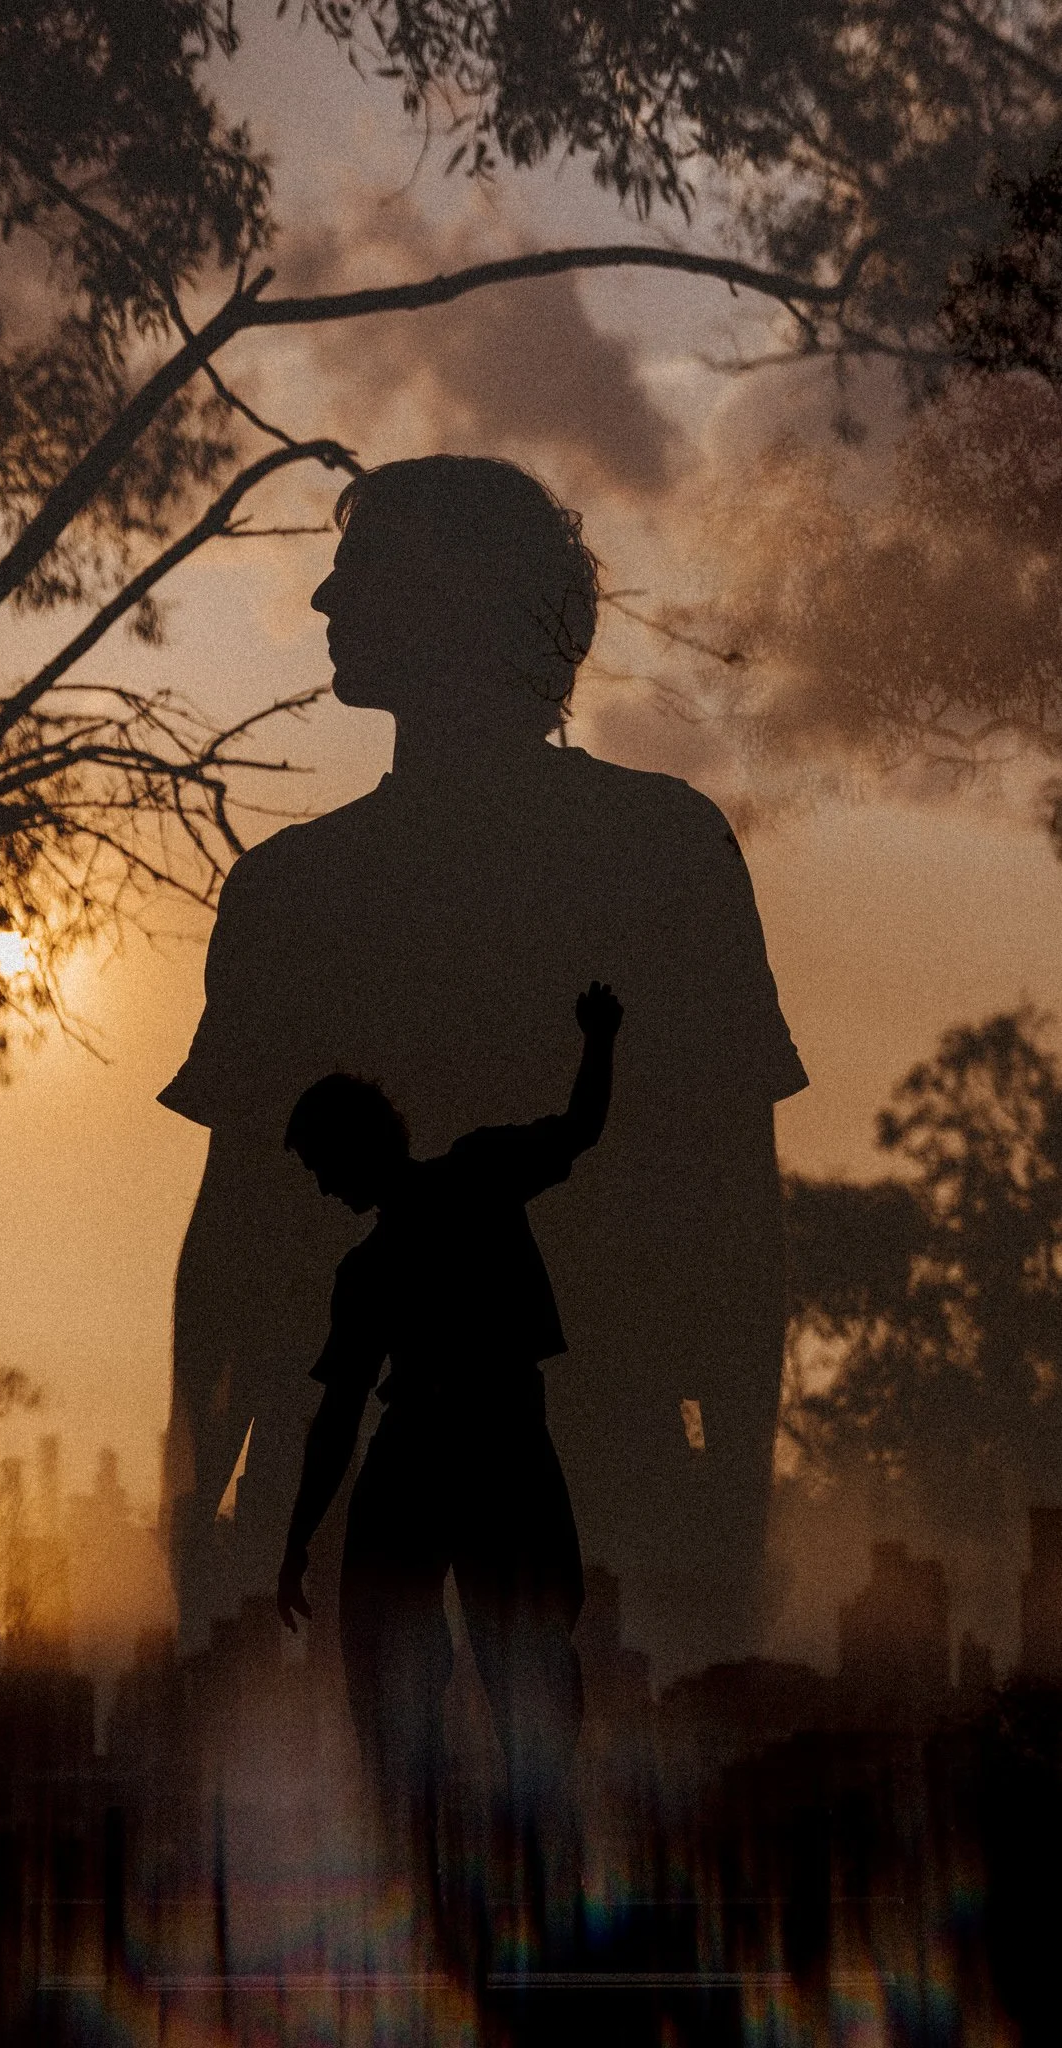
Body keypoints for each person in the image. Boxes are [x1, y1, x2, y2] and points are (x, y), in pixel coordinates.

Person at [158, 455, 807, 1677]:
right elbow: (235, 1233)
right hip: (556, 1478)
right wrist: (735, 1499)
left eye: (359, 573)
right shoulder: (662, 847)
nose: (324, 605)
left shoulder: (303, 892)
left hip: (535, 1477)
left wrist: (200, 1511)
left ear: (455, 600)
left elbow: (730, 1219)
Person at [275, 981, 622, 1943]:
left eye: (323, 1164)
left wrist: (598, 1037)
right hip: (428, 1455)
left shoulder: (474, 1175)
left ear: (359, 1143)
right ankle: (426, 1872)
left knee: (521, 1665)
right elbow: (338, 1413)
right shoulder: (367, 1271)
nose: (323, 1189)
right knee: (393, 1660)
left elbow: (579, 1127)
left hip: (493, 1450)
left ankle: (537, 1872)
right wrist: (298, 1537)